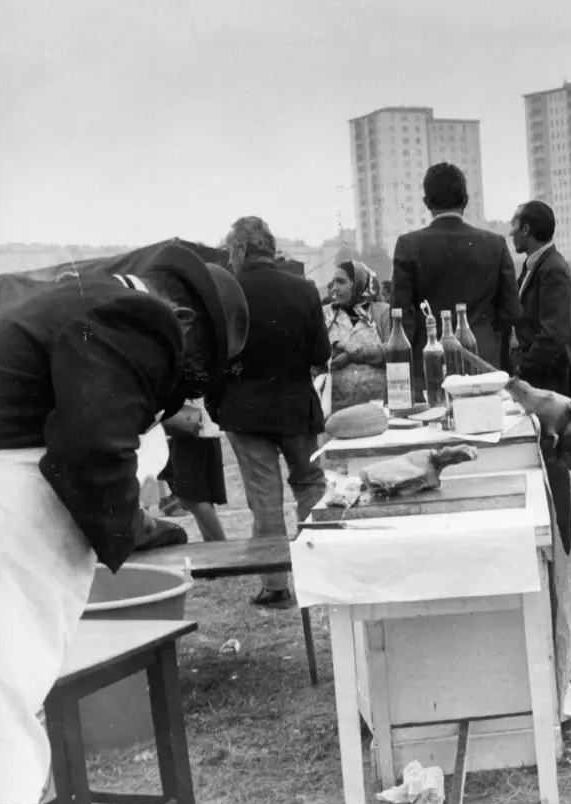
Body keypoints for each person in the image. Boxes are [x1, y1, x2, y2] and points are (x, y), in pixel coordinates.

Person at [0, 246, 248, 804]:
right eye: (195, 369)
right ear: (184, 321)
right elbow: (91, 446)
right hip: (6, 520)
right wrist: (131, 528)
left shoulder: (79, 294)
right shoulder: (146, 316)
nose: (184, 393)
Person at [217, 216, 332, 607]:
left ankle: (276, 585)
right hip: (296, 407)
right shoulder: (304, 289)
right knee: (311, 484)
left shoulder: (224, 294)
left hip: (245, 413)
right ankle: (324, 571)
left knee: (264, 501)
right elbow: (321, 354)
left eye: (230, 251)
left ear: (242, 250)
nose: (229, 260)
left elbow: (213, 360)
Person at [392, 162, 520, 390]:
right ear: (466, 200)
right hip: (485, 366)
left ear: (426, 202)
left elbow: (402, 319)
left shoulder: (407, 245)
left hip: (429, 370)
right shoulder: (495, 245)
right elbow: (511, 311)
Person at [509, 200, 571, 555]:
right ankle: (552, 539)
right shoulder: (532, 267)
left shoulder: (553, 270)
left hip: (548, 384)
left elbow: (554, 335)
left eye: (514, 225)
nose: (510, 232)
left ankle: (561, 545)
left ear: (527, 229)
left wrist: (522, 372)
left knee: (553, 465)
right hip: (538, 382)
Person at [324, 260, 392, 413]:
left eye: (341, 282)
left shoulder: (382, 312)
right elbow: (317, 351)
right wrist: (338, 346)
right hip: (336, 407)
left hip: (377, 405)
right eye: (333, 282)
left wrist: (353, 355)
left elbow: (392, 349)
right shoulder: (326, 314)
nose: (334, 288)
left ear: (358, 284)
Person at [158, 398, 228, 541]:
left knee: (192, 495)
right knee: (193, 496)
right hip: (185, 426)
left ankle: (221, 546)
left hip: (193, 426)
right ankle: (213, 547)